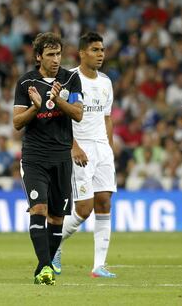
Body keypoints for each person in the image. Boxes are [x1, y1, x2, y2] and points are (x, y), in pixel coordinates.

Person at [13, 32, 83, 285]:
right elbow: (17, 122)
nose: (56, 59)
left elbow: (78, 114)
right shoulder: (25, 83)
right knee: (39, 209)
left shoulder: (71, 79)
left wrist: (57, 101)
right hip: (34, 157)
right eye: (50, 54)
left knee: (57, 217)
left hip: (61, 156)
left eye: (58, 54)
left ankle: (44, 266)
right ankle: (45, 267)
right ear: (38, 56)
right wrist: (35, 106)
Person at [51, 32, 117, 278]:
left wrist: (108, 148)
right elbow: (59, 118)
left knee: (104, 203)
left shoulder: (106, 82)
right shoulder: (68, 79)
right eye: (95, 50)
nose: (100, 54)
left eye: (102, 50)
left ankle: (99, 265)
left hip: (102, 149)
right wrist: (73, 146)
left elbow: (107, 118)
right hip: (80, 148)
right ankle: (53, 245)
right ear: (82, 53)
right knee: (83, 208)